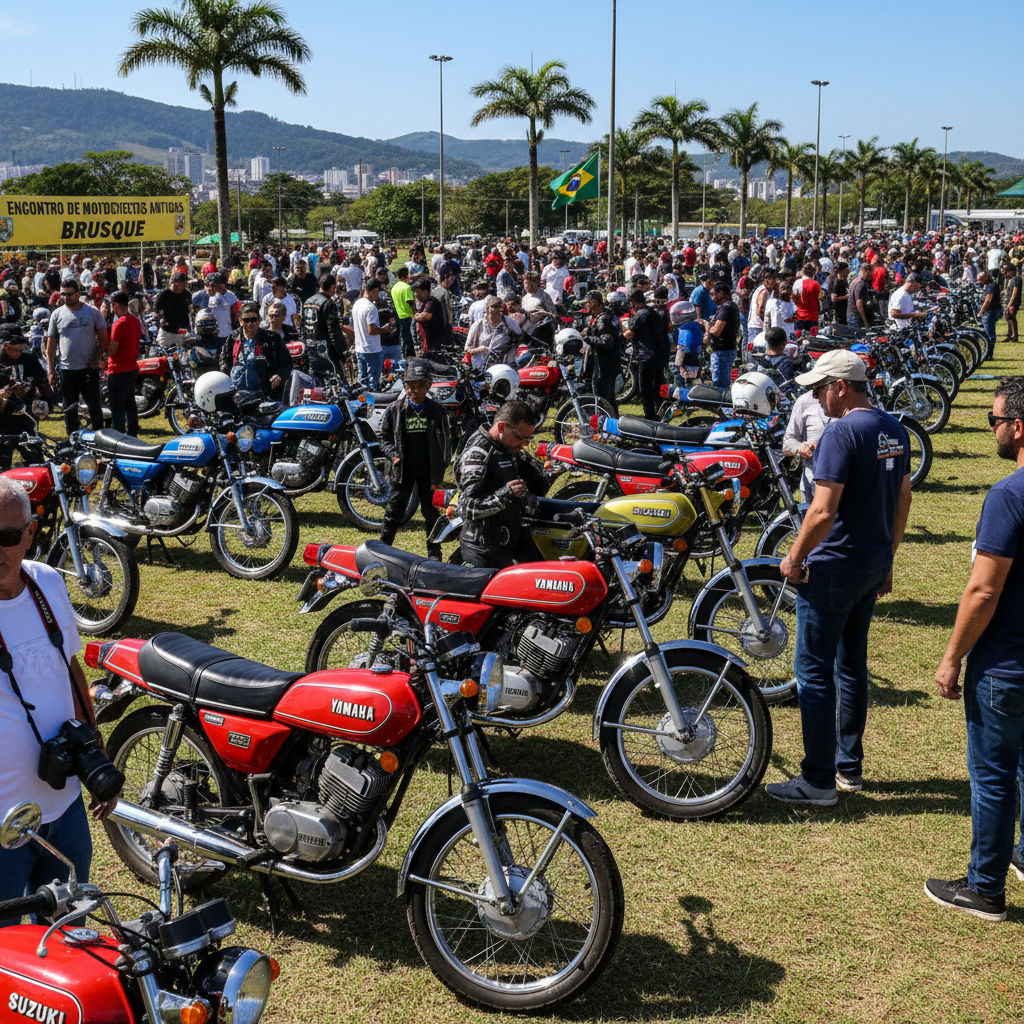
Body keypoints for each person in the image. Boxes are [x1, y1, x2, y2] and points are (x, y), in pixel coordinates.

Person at [766, 349, 912, 806]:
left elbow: (822, 510)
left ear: (840, 386)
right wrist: (888, 555)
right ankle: (849, 768)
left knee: (812, 672)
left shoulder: (841, 432)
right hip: (870, 564)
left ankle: (817, 780)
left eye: (818, 387)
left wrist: (793, 556)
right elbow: (903, 495)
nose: (814, 396)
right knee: (850, 667)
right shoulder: (893, 427)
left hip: (831, 568)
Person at [923, 377, 1024, 920]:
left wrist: (951, 656)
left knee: (992, 775)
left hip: (1006, 666)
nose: (993, 430)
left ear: (1019, 427)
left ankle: (985, 887)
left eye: (994, 420)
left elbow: (983, 589)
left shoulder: (1009, 496)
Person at [0, 476, 118, 926]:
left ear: (30, 534)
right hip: (2, 827)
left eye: (8, 537)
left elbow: (69, 666)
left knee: (71, 932)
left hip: (64, 804)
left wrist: (95, 745)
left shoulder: (47, 582)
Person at [455, 399, 549, 569]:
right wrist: (504, 495)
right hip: (483, 548)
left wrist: (547, 471)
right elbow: (466, 508)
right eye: (521, 438)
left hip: (510, 536)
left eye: (528, 439)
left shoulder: (507, 445)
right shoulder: (477, 454)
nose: (524, 444)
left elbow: (534, 471)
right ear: (501, 427)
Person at [377, 359, 450, 560]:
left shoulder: (437, 410)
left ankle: (434, 552)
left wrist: (440, 468)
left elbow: (446, 442)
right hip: (404, 470)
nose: (414, 391)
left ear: (428, 385)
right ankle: (382, 549)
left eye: (419, 386)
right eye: (410, 386)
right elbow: (382, 435)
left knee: (431, 512)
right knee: (394, 510)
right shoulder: (395, 409)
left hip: (428, 472)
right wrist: (393, 454)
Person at [45, 278, 108, 434]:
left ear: (78, 294)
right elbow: (51, 345)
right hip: (67, 369)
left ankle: (99, 435)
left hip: (88, 367)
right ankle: (73, 438)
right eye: (63, 294)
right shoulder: (57, 314)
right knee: (69, 406)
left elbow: (104, 337)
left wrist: (97, 357)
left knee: (93, 404)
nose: (66, 298)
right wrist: (51, 370)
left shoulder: (92, 312)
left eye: (70, 294)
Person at [0, 326, 53, 470]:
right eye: (14, 350)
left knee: (34, 458)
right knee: (3, 461)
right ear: (5, 345)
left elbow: (42, 380)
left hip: (26, 415)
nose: (18, 353)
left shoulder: (29, 359)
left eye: (21, 350)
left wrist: (48, 401)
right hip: (3, 419)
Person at [219, 301, 292, 401]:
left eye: (253, 320)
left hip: (264, 395)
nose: (250, 323)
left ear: (259, 320)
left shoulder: (272, 338)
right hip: (237, 395)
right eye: (246, 320)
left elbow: (287, 364)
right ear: (240, 321)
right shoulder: (233, 338)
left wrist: (279, 375)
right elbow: (224, 362)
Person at [623, 288, 670, 419]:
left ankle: (650, 416)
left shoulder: (641, 314)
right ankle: (663, 411)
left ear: (633, 303)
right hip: (660, 354)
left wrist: (622, 328)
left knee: (645, 387)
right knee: (659, 385)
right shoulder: (653, 312)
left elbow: (628, 334)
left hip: (646, 356)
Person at [782, 386, 833, 502]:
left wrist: (822, 447)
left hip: (844, 484)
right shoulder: (805, 401)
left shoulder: (849, 400)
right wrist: (800, 448)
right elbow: (788, 441)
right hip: (812, 483)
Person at [106, 291, 142, 437]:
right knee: (130, 403)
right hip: (132, 367)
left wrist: (103, 348)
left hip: (118, 369)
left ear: (114, 304)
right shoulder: (135, 320)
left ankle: (118, 436)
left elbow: (112, 350)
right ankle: (133, 433)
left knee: (117, 407)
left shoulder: (119, 324)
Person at [350, 279, 394, 389]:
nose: (377, 296)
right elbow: (372, 330)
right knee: (373, 382)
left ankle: (363, 402)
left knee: (362, 382)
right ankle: (373, 403)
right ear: (374, 291)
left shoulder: (357, 304)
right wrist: (385, 329)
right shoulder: (370, 307)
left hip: (360, 348)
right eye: (377, 293)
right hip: (372, 350)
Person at [582, 290, 621, 414]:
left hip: (604, 366)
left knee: (604, 400)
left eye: (590, 302)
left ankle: (607, 425)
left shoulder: (603, 319)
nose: (587, 305)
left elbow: (606, 342)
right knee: (606, 399)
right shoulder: (599, 318)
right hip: (603, 366)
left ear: (598, 303)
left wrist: (587, 338)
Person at [300, 274, 348, 372]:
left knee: (316, 381)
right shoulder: (328, 303)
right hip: (325, 350)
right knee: (337, 381)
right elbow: (334, 331)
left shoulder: (307, 302)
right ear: (333, 287)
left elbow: (302, 328)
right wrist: (342, 351)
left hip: (310, 349)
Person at [464, 296, 521, 368]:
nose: (490, 316)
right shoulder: (478, 325)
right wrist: (479, 350)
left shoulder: (510, 323)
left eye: (497, 312)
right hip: (481, 366)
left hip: (504, 366)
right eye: (489, 312)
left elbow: (520, 339)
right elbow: (467, 349)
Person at [706, 281, 739, 389]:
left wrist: (706, 326)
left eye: (713, 294)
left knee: (719, 384)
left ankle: (722, 405)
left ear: (721, 293)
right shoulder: (729, 306)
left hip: (722, 351)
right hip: (726, 350)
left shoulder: (726, 308)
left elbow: (716, 331)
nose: (712, 298)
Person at [153, 272, 192, 345]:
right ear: (174, 283)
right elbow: (156, 311)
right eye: (183, 282)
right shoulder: (164, 295)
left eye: (186, 282)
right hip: (167, 332)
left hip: (182, 332)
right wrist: (160, 319)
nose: (186, 284)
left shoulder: (187, 295)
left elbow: (190, 310)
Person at [412, 279, 445, 357]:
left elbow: (426, 316)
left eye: (418, 291)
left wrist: (416, 316)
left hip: (434, 341)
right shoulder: (424, 303)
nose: (416, 295)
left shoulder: (431, 302)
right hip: (426, 341)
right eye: (415, 292)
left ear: (426, 291)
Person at [391, 266, 416, 357]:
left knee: (402, 337)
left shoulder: (394, 287)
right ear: (406, 275)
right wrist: (415, 312)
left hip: (398, 314)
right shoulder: (406, 288)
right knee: (408, 338)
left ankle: (404, 353)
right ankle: (408, 356)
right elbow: (410, 301)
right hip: (407, 315)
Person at [978, 271, 1002, 361]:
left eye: (980, 279)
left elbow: (988, 300)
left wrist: (981, 311)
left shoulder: (991, 286)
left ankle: (988, 354)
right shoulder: (989, 285)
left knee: (989, 334)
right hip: (992, 311)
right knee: (988, 333)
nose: (979, 282)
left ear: (986, 278)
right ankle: (987, 353)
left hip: (991, 311)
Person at [792, 263, 821, 333]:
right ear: (813, 273)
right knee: (812, 340)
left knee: (798, 340)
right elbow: (818, 300)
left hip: (799, 316)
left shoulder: (797, 283)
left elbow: (794, 299)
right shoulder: (816, 284)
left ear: (803, 272)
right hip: (813, 317)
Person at [847, 264, 873, 330]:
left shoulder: (854, 281)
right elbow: (859, 303)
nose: (870, 276)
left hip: (850, 314)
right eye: (870, 273)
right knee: (859, 338)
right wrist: (865, 321)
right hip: (856, 316)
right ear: (865, 271)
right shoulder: (861, 283)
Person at [1003, 263, 1021, 344]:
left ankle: (1014, 335)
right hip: (1008, 302)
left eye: (1006, 271)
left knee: (1011, 318)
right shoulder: (1009, 279)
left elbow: (1015, 291)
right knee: (1008, 318)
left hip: (1013, 303)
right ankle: (1009, 334)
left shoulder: (1016, 279)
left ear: (1012, 271)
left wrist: (1010, 303)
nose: (1005, 273)